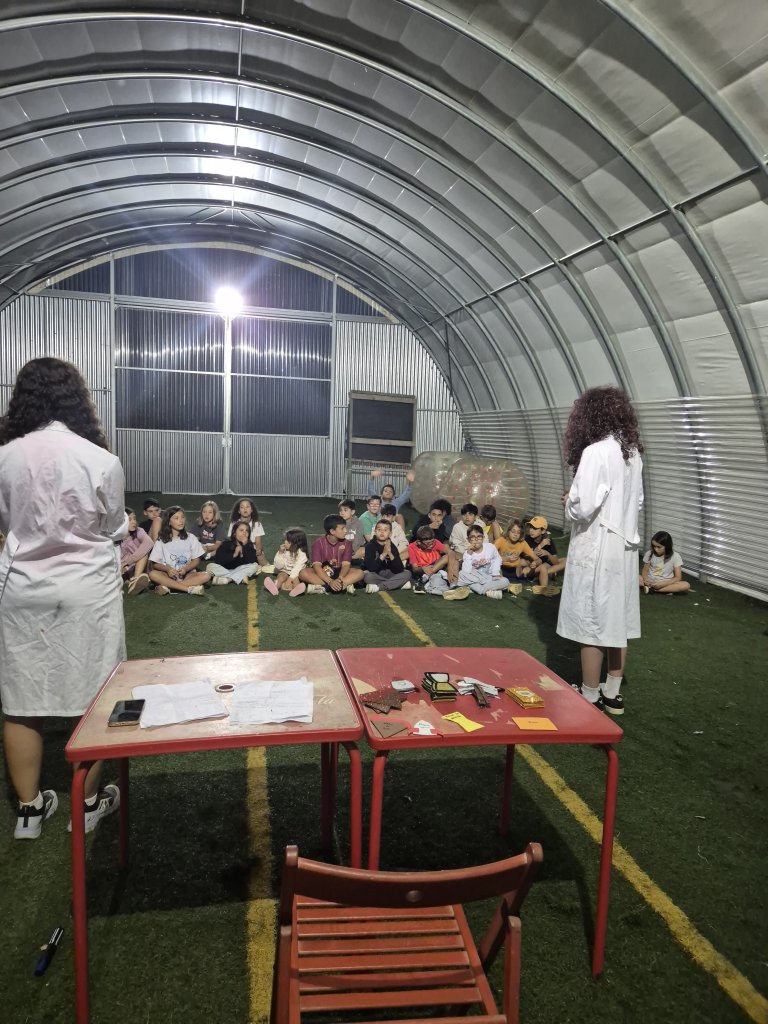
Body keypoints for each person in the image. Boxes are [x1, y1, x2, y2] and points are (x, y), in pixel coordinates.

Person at [0, 357, 126, 839]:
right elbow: (113, 525)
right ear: (78, 399)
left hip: (22, 586)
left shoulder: (7, 456)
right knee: (93, 695)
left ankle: (29, 811)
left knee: (21, 700)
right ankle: (87, 805)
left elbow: (7, 522)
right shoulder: (99, 459)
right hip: (86, 589)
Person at [556, 386, 644, 717]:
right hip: (625, 548)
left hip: (598, 547)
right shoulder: (632, 454)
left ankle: (589, 694)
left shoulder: (596, 452)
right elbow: (637, 502)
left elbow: (583, 508)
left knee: (591, 620)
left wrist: (569, 501)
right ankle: (612, 693)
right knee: (617, 618)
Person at [148, 506, 210, 595]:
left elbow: (196, 560)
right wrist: (168, 569)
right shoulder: (161, 540)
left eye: (182, 517)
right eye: (176, 518)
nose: (181, 521)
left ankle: (169, 587)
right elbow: (155, 564)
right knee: (153, 574)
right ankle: (188, 589)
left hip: (187, 574)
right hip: (168, 575)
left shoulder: (191, 538)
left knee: (207, 575)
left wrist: (186, 568)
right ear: (169, 522)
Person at [304, 514, 365, 594]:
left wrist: (340, 577)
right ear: (332, 531)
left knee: (360, 573)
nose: (346, 531)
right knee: (303, 573)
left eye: (345, 527)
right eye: (342, 528)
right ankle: (341, 586)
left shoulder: (347, 543)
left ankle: (325, 587)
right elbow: (317, 566)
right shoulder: (318, 543)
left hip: (340, 572)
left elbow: (346, 564)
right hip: (323, 573)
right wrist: (330, 581)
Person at [407, 525, 464, 598]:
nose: (431, 545)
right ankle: (451, 586)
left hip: (437, 568)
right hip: (424, 571)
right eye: (428, 544)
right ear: (419, 542)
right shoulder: (412, 547)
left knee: (454, 560)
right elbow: (415, 569)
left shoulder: (435, 542)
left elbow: (451, 552)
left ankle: (453, 585)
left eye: (432, 542)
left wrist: (450, 569)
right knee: (448, 558)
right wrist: (423, 568)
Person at [456, 524, 510, 599]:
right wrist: (469, 555)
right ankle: (488, 590)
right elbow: (466, 572)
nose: (476, 539)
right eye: (473, 537)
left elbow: (497, 558)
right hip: (476, 578)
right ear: (468, 539)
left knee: (505, 581)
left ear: (483, 538)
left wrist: (495, 573)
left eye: (479, 536)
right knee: (461, 574)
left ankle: (481, 590)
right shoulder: (467, 553)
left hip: (490, 577)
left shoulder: (490, 547)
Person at [362, 520, 413, 593]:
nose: (382, 532)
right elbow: (372, 569)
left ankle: (378, 587)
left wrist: (390, 553)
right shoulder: (369, 546)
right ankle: (398, 584)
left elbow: (399, 569)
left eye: (385, 530)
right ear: (375, 531)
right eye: (379, 529)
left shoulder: (392, 546)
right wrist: (384, 554)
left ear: (390, 533)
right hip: (375, 574)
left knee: (407, 573)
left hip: (389, 573)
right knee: (367, 576)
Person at [206, 521, 260, 586]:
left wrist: (245, 546)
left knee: (255, 566)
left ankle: (228, 579)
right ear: (234, 533)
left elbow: (251, 561)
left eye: (247, 531)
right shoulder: (226, 544)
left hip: (240, 569)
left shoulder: (249, 546)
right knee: (210, 566)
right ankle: (239, 577)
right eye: (241, 530)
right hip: (224, 569)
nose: (244, 533)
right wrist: (234, 555)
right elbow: (218, 560)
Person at [495, 519, 538, 595]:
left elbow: (537, 559)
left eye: (518, 532)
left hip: (515, 571)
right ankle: (506, 585)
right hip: (501, 568)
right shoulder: (501, 540)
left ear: (521, 534)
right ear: (508, 531)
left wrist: (535, 562)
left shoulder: (522, 543)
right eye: (513, 531)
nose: (515, 534)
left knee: (526, 570)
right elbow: (489, 554)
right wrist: (504, 558)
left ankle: (508, 585)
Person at [526, 515, 567, 594]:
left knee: (565, 560)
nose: (531, 530)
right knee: (541, 567)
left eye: (535, 528)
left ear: (543, 531)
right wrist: (541, 545)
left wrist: (547, 553)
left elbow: (556, 562)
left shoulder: (548, 541)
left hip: (545, 564)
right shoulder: (527, 539)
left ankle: (544, 574)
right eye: (530, 527)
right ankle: (545, 577)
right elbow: (529, 557)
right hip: (532, 566)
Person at [264, 528, 309, 597]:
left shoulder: (301, 554)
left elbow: (297, 568)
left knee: (295, 580)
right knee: (281, 577)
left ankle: (296, 590)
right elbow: (278, 566)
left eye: (288, 541)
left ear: (296, 544)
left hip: (296, 573)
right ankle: (275, 587)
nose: (285, 542)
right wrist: (280, 553)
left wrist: (290, 579)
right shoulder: (284, 550)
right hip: (285, 571)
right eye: (285, 540)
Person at [227, 498, 270, 568]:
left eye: (247, 507)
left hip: (252, 547)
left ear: (252, 509)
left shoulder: (256, 523)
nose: (245, 509)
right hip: (238, 546)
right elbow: (231, 538)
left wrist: (258, 550)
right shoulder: (234, 523)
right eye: (242, 507)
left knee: (263, 559)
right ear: (239, 511)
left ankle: (262, 564)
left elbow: (258, 540)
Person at [119, 508, 153, 594]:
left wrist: (127, 562)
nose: (134, 522)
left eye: (134, 519)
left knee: (144, 553)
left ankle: (135, 581)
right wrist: (122, 566)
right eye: (129, 520)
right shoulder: (114, 538)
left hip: (137, 566)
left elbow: (149, 543)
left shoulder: (139, 531)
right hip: (122, 569)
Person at [338, 499, 366, 563]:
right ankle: (346, 559)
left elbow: (357, 541)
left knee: (364, 550)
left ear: (352, 512)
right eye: (341, 510)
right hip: (342, 549)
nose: (342, 513)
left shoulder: (358, 523)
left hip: (354, 550)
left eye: (345, 510)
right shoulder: (338, 523)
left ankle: (344, 559)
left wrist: (351, 551)